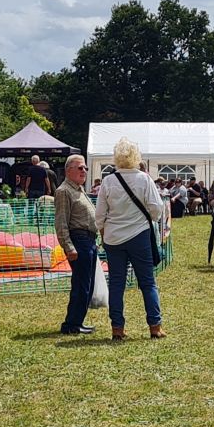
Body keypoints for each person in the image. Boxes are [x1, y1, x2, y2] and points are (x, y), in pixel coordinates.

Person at [95, 138, 165, 340]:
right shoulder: (144, 179)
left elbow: (99, 215)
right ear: (136, 157)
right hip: (139, 235)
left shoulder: (108, 181)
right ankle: (155, 326)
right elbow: (157, 209)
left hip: (113, 238)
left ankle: (117, 329)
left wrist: (104, 232)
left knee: (116, 284)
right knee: (147, 282)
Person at [53, 154, 97, 336]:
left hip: (89, 241)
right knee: (81, 285)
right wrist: (68, 246)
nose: (84, 171)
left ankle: (76, 321)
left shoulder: (78, 189)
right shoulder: (64, 191)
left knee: (87, 284)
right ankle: (72, 324)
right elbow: (61, 222)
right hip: (79, 241)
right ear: (68, 170)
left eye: (85, 168)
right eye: (80, 168)